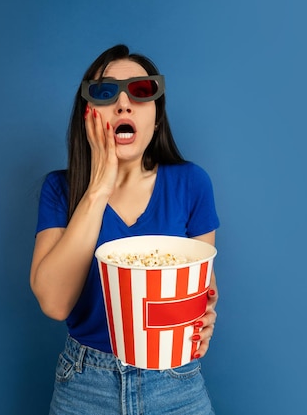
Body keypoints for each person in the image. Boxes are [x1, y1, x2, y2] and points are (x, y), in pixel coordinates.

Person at [30, 44, 220, 414]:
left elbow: (202, 286)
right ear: (87, 114)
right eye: (105, 92)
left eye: (141, 91)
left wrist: (205, 313)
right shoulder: (60, 190)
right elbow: (54, 302)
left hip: (174, 382)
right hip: (85, 384)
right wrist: (99, 187)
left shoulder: (192, 183)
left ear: (156, 116)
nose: (123, 103)